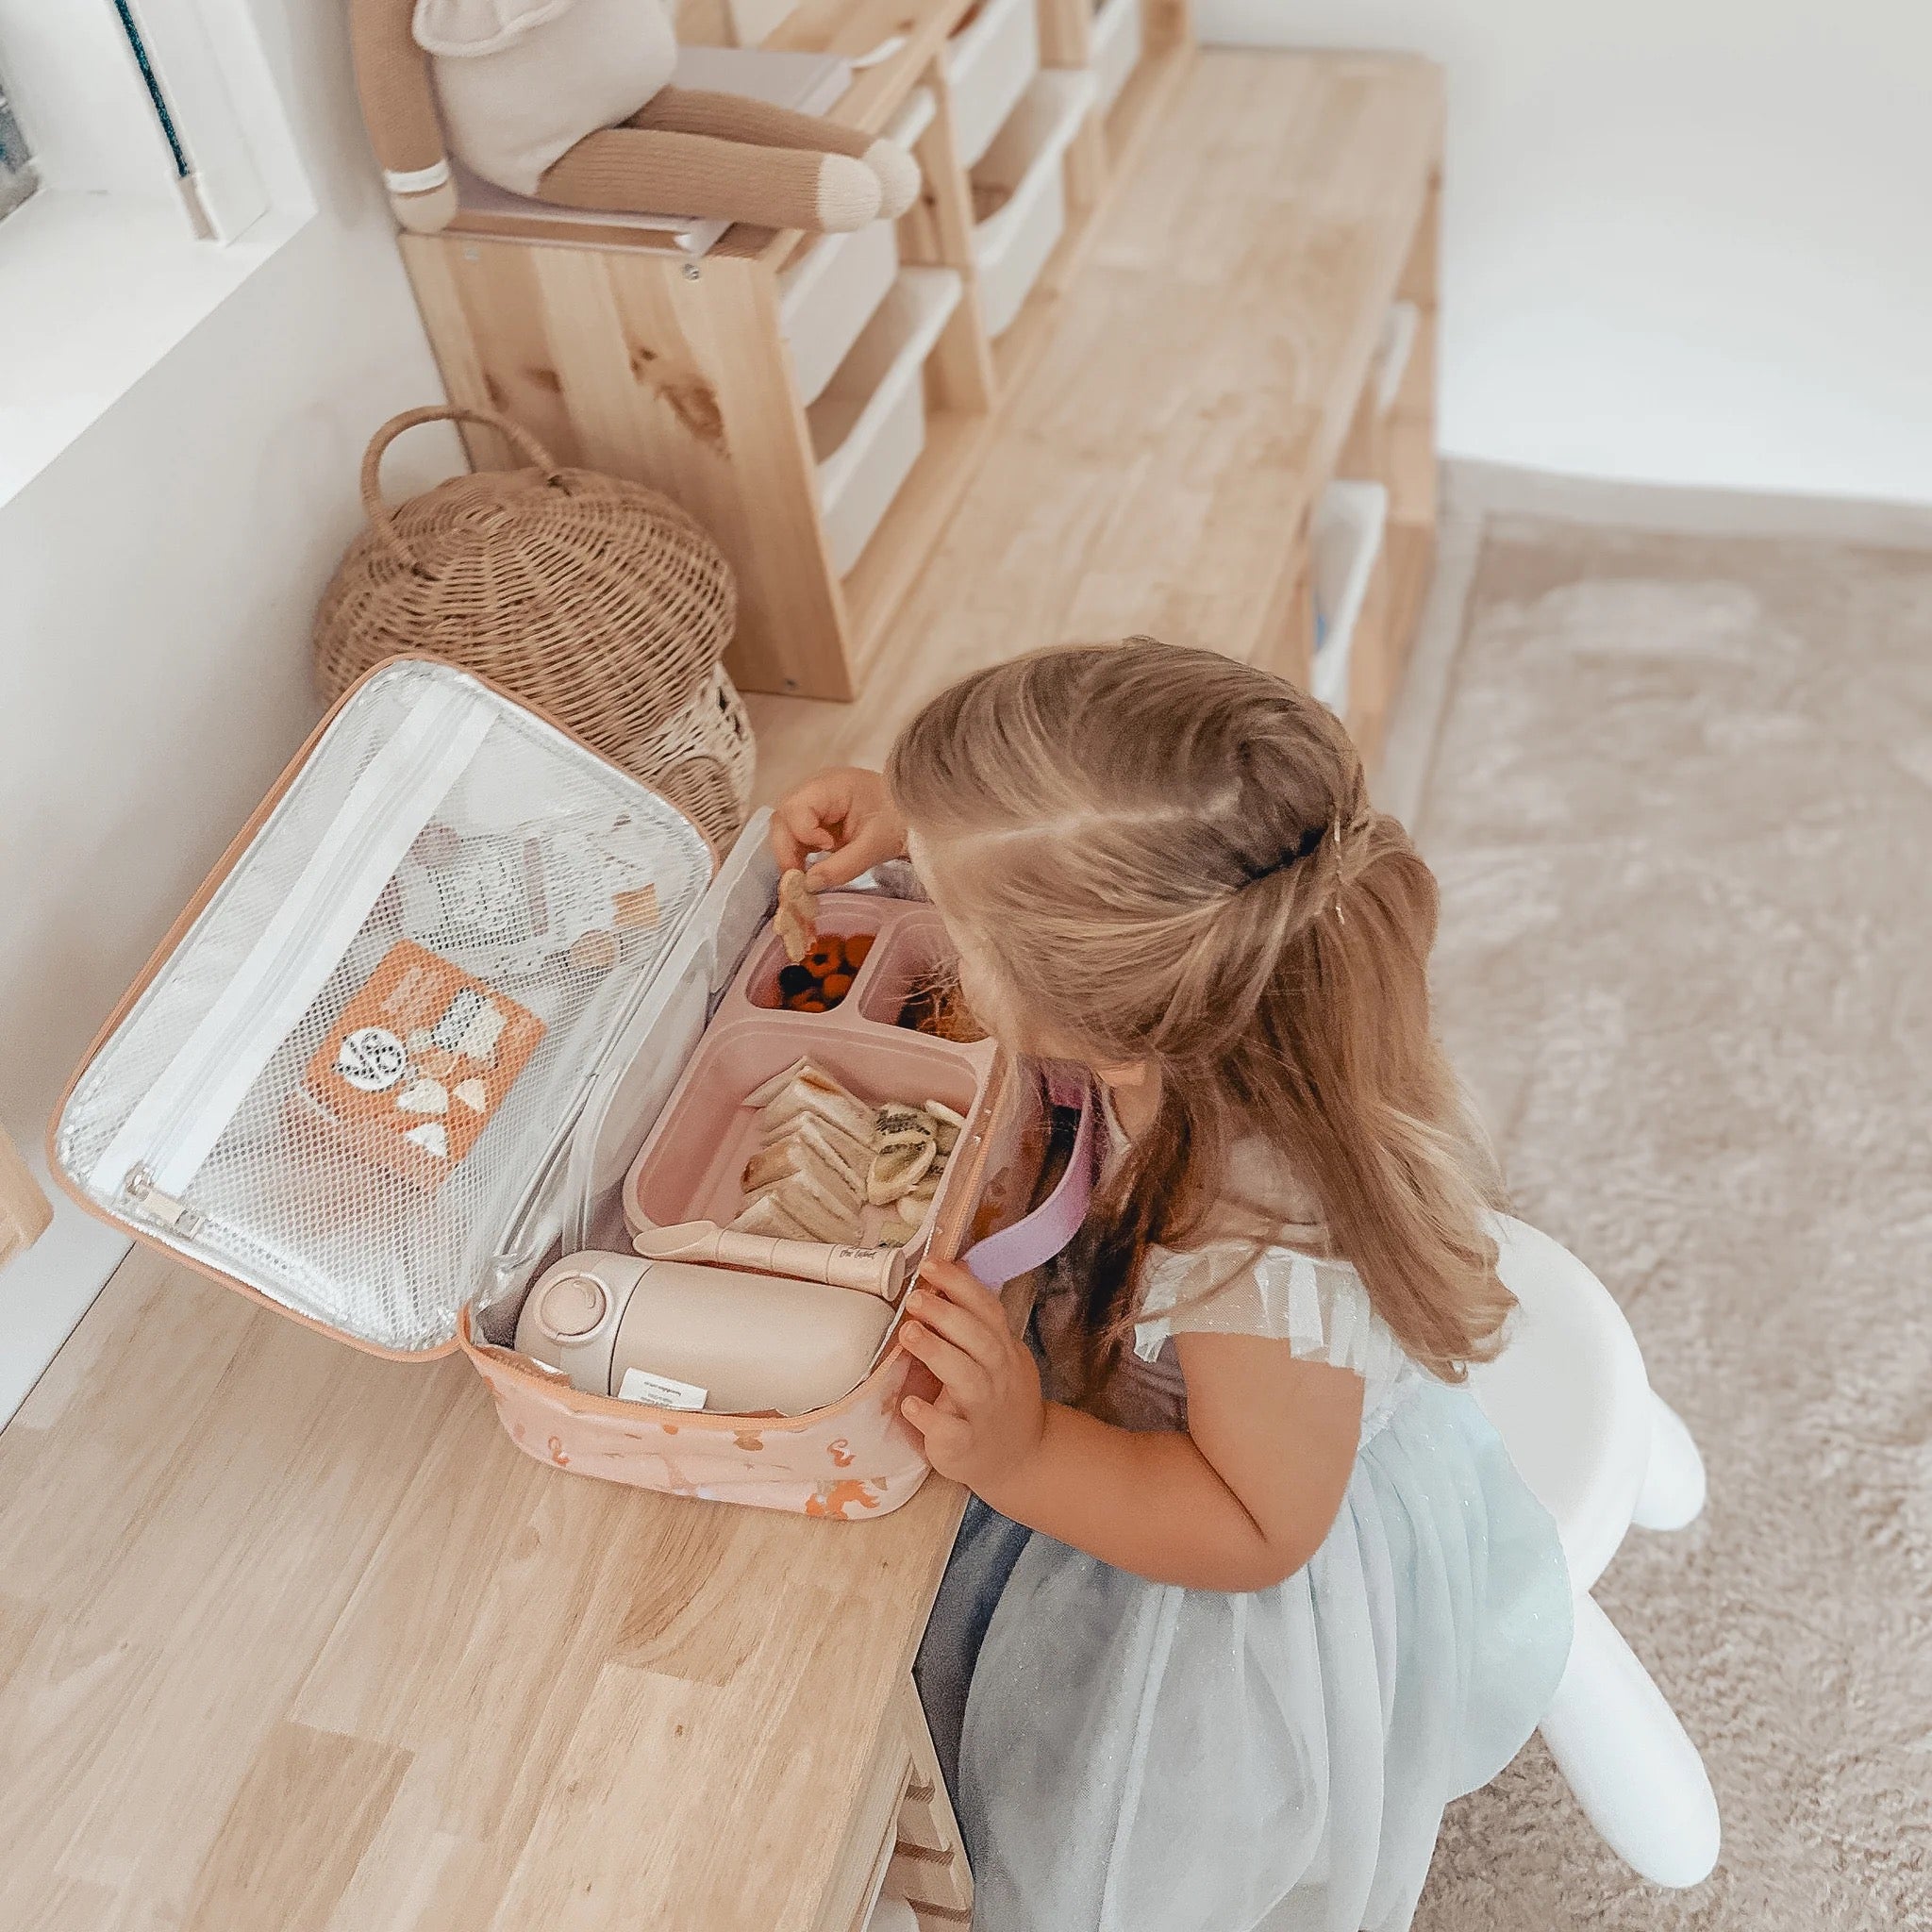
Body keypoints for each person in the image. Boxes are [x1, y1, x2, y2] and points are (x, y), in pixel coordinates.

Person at [771, 640, 1573, 1932]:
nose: (948, 941)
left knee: (1093, 1860)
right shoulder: (1211, 990)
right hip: (1208, 1419)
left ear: (1102, 1016)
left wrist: (1029, 1452)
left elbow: (1258, 1533)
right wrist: (923, 823)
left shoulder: (1251, 1233)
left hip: (1233, 1547)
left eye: (971, 931)